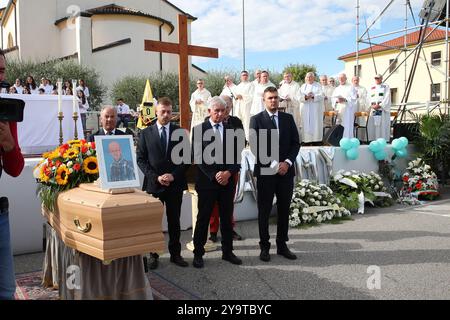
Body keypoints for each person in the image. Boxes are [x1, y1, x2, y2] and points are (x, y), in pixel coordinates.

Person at [137, 97, 189, 269]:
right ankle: (153, 254)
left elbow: (185, 159)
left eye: (169, 112)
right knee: (154, 222)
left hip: (174, 185)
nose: (166, 115)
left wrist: (173, 175)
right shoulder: (145, 133)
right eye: (163, 111)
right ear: (156, 112)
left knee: (174, 221)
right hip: (154, 185)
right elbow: (141, 160)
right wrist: (156, 177)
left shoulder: (180, 132)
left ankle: (176, 254)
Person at [191, 96, 243, 268]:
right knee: (203, 219)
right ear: (209, 111)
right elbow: (198, 158)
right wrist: (215, 175)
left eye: (223, 110)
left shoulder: (231, 130)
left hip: (227, 183)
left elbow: (237, 158)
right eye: (216, 111)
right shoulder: (199, 130)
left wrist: (228, 173)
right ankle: (198, 253)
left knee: (226, 219)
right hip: (207, 184)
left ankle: (227, 252)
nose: (220, 114)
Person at [250, 86, 300, 262]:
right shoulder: (256, 120)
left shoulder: (288, 118)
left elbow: (296, 143)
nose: (273, 100)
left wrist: (286, 163)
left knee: (284, 208)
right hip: (266, 172)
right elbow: (256, 146)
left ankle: (282, 245)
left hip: (286, 172)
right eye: (270, 98)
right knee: (264, 210)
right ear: (264, 100)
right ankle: (264, 247)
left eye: (276, 98)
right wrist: (273, 164)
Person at [0, 49, 25, 300]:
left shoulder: (7, 110)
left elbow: (16, 169)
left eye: (2, 70)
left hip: (0, 215)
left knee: (6, 291)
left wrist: (8, 143)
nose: (0, 76)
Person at [207, 95, 245, 243]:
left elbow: (241, 142)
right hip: (213, 171)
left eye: (227, 107)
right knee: (213, 203)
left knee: (229, 202)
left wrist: (229, 171)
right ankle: (213, 230)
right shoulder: (207, 122)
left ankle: (229, 228)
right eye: (222, 108)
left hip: (231, 169)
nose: (224, 111)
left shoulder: (236, 122)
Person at [299, 72, 325, 144]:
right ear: (305, 78)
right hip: (305, 109)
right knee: (306, 123)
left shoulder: (318, 85)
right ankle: (306, 140)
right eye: (307, 77)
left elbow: (322, 95)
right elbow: (298, 96)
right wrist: (306, 97)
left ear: (313, 78)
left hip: (315, 109)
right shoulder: (303, 86)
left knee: (316, 123)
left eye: (310, 77)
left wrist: (313, 96)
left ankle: (316, 140)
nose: (309, 78)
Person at [332, 73, 358, 139]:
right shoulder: (337, 88)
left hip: (347, 110)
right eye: (340, 78)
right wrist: (337, 100)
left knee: (346, 125)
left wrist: (345, 100)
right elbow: (332, 98)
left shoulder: (351, 87)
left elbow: (354, 98)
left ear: (346, 79)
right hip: (339, 109)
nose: (341, 79)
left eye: (342, 78)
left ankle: (347, 139)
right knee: (339, 124)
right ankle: (338, 139)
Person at [368, 74, 391, 142]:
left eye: (378, 78)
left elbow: (387, 97)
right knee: (374, 124)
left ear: (381, 78)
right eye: (375, 78)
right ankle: (373, 139)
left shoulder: (386, 86)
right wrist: (371, 105)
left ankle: (382, 139)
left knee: (382, 124)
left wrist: (380, 105)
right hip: (373, 109)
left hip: (382, 109)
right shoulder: (372, 87)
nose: (377, 79)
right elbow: (368, 98)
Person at [234, 70, 254, 138]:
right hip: (239, 106)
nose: (244, 77)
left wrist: (242, 96)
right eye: (243, 75)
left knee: (246, 122)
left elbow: (252, 96)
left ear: (248, 76)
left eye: (246, 75)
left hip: (247, 106)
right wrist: (236, 98)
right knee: (238, 121)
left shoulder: (251, 85)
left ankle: (247, 138)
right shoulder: (238, 86)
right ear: (241, 77)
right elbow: (235, 96)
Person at [352, 76, 369, 141]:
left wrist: (360, 97)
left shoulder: (363, 88)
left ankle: (361, 139)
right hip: (353, 109)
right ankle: (353, 138)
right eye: (354, 80)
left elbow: (366, 98)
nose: (356, 81)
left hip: (361, 108)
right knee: (353, 123)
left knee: (361, 124)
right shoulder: (350, 88)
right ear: (352, 81)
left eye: (357, 80)